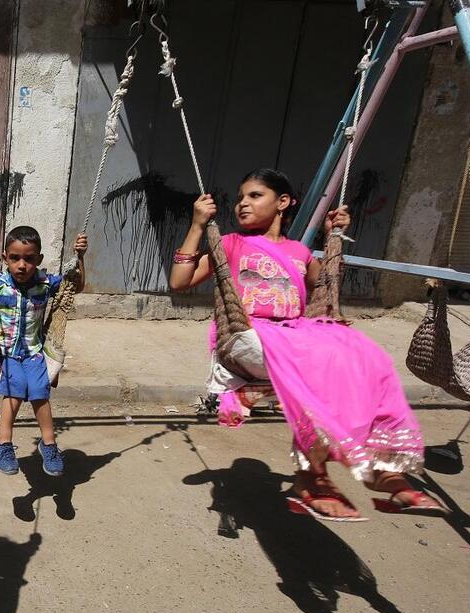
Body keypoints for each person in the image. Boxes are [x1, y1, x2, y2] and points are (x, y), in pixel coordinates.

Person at [169, 168, 447, 522]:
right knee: (323, 360)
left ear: (283, 202)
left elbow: (325, 292)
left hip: (295, 338)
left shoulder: (299, 252)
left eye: (254, 195)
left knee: (367, 358)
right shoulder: (231, 244)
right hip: (248, 337)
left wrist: (333, 240)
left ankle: (382, 469)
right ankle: (312, 477)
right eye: (240, 198)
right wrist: (197, 226)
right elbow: (180, 281)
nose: (242, 204)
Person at [0, 227, 88, 477]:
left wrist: (80, 257)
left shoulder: (46, 283)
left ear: (39, 259)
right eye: (15, 258)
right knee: (14, 392)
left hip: (35, 352)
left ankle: (49, 445)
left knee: (39, 392)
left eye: (29, 259)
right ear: (5, 258)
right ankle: (3, 443)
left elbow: (75, 287)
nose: (22, 265)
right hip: (6, 352)